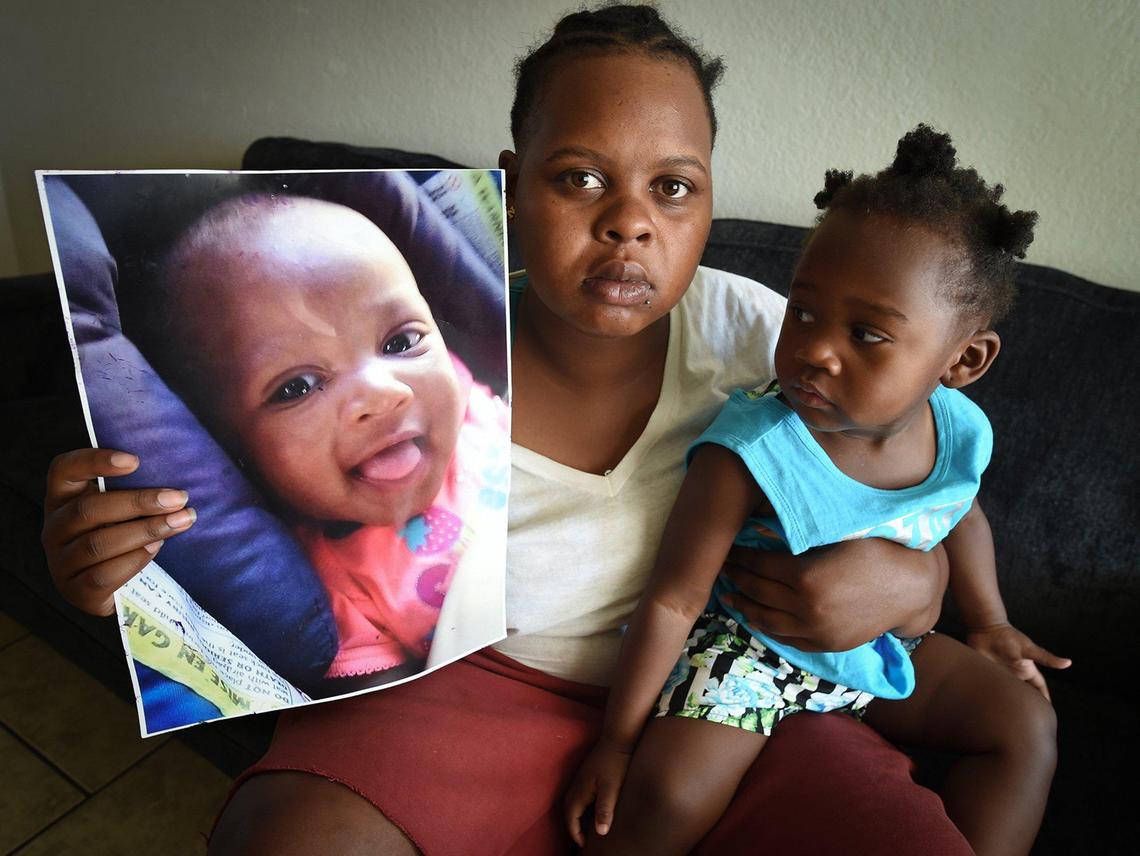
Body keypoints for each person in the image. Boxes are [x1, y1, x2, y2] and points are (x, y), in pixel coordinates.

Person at [40, 6, 969, 854]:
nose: (628, 226)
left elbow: (921, 480)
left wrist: (914, 580)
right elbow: (195, 585)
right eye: (581, 180)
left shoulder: (771, 337)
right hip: (462, 691)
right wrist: (115, 571)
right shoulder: (454, 362)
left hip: (720, 702)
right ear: (515, 189)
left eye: (673, 188)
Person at [564, 124, 1069, 856]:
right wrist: (617, 740)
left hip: (886, 648)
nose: (816, 350)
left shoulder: (957, 427)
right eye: (803, 312)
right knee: (668, 797)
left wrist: (989, 623)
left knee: (1026, 726)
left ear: (963, 360)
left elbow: (959, 511)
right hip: (750, 658)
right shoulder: (753, 446)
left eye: (867, 335)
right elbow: (675, 598)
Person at [149, 193, 508, 683]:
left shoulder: (474, 402)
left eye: (400, 342)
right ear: (234, 454)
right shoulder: (335, 596)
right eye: (296, 387)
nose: (383, 395)